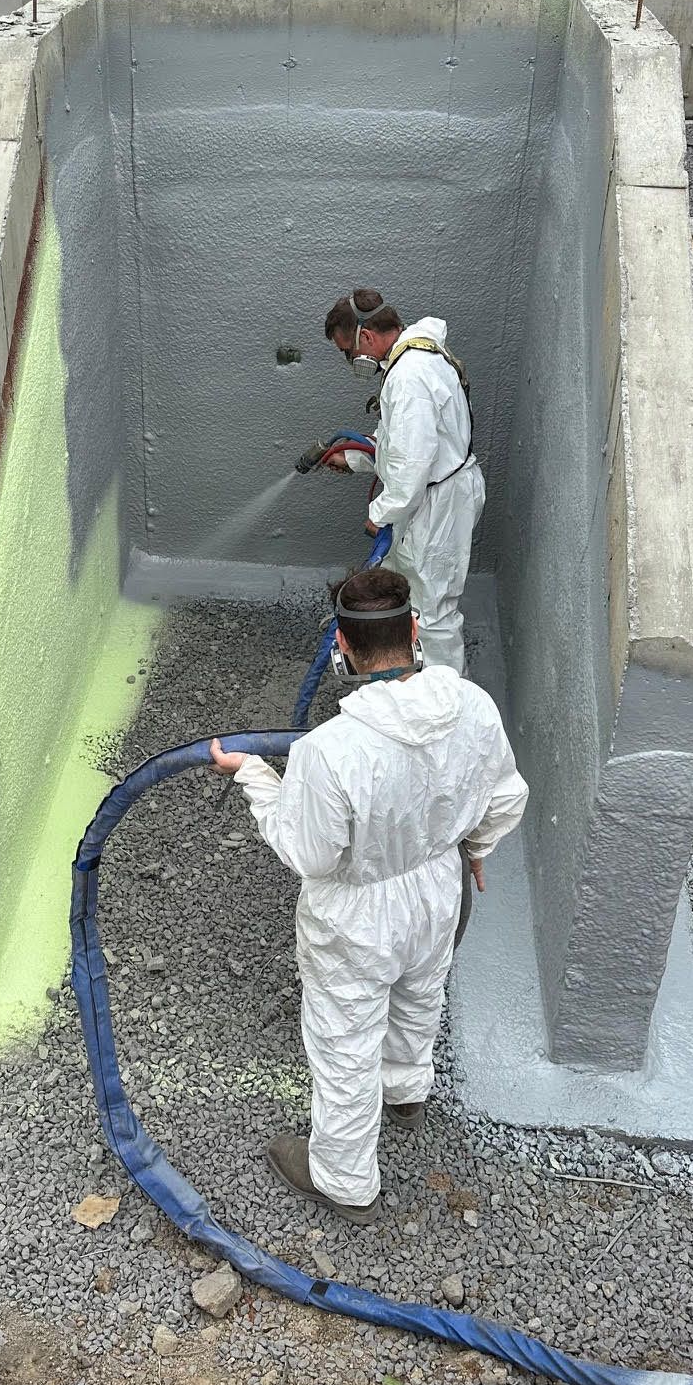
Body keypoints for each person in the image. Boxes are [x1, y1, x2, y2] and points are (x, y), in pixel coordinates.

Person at [209, 566, 527, 1225]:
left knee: (345, 1039)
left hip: (355, 915)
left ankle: (345, 1179)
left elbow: (309, 854)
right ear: (415, 630)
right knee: (420, 992)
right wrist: (474, 849)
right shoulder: (473, 707)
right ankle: (406, 1091)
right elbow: (504, 795)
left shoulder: (330, 750)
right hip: (437, 886)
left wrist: (257, 778)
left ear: (343, 647)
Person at [323, 288, 484, 675]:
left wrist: (379, 513)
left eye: (348, 351)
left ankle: (446, 697)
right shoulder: (415, 360)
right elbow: (404, 445)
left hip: (438, 507)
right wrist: (354, 458)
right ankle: (405, 674)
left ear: (366, 336)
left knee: (433, 611)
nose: (351, 361)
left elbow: (412, 467)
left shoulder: (409, 377)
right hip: (432, 495)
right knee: (402, 586)